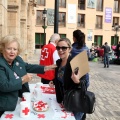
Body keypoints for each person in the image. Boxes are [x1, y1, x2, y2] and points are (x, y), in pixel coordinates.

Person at [0, 35, 57, 117]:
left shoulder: (17, 59)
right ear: (3, 49)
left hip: (19, 101)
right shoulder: (1, 64)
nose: (12, 52)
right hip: (5, 106)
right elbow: (4, 85)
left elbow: (27, 66)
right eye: (9, 48)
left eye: (15, 49)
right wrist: (22, 80)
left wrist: (46, 67)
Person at [49, 37, 89, 120]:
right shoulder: (58, 62)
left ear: (70, 49)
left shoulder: (76, 63)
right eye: (58, 48)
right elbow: (60, 77)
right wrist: (53, 81)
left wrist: (77, 81)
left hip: (76, 103)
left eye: (64, 48)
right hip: (65, 101)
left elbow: (85, 83)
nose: (60, 50)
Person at [71, 29, 90, 120]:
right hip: (84, 77)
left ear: (74, 38)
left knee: (74, 97)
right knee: (82, 97)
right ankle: (82, 115)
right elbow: (88, 59)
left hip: (74, 76)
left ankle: (76, 116)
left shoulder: (72, 49)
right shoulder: (86, 48)